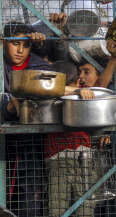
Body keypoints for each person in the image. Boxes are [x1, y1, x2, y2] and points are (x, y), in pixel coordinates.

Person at [44, 41, 116, 217]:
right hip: (58, 159)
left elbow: (100, 85)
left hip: (83, 159)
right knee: (57, 210)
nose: (82, 78)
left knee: (85, 210)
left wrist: (113, 59)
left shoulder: (85, 92)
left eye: (85, 73)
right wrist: (75, 91)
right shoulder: (63, 91)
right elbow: (49, 90)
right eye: (80, 73)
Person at [3, 21, 51, 217]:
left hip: (30, 139)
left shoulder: (38, 66)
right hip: (5, 138)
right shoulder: (2, 66)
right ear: (3, 43)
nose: (20, 50)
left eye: (26, 44)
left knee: (29, 192)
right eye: (15, 43)